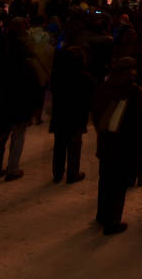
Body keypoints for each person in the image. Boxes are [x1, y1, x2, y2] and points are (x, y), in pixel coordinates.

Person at [92, 56, 142, 235]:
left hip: (106, 142)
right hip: (125, 145)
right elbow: (141, 120)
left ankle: (102, 214)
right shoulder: (134, 91)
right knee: (119, 184)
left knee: (106, 180)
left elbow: (96, 114)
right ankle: (113, 221)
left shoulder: (104, 88)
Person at [0, 18, 41, 182]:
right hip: (19, 103)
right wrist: (34, 106)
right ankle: (12, 168)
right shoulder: (26, 65)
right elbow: (34, 85)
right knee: (17, 135)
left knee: (1, 136)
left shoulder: (0, 56)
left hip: (3, 101)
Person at [49, 45, 93, 184]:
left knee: (59, 145)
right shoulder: (85, 77)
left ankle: (57, 172)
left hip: (60, 114)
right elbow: (89, 99)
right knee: (74, 145)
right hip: (77, 116)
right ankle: (73, 173)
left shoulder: (57, 75)